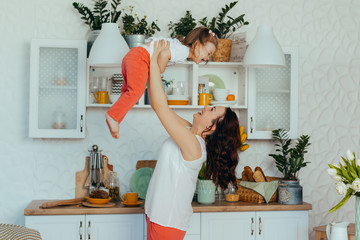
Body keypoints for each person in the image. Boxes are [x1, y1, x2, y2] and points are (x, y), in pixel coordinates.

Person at [145, 40, 241, 239]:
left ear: (212, 127)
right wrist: (156, 66)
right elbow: (163, 106)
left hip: (167, 224)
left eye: (212, 110)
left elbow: (159, 107)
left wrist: (153, 62)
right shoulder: (190, 135)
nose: (206, 107)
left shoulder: (194, 146)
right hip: (160, 219)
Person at [105, 26, 218, 139]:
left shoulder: (181, 47)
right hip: (140, 58)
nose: (208, 58)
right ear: (197, 44)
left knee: (127, 93)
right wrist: (159, 69)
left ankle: (115, 118)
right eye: (208, 53)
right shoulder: (184, 51)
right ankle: (113, 116)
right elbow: (164, 54)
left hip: (132, 55)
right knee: (136, 92)